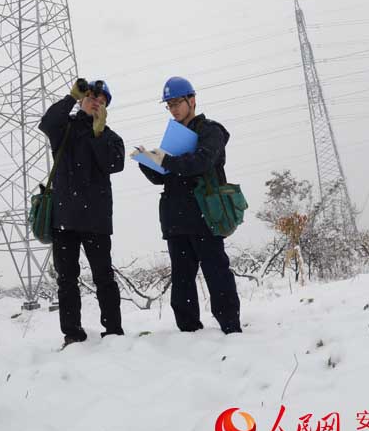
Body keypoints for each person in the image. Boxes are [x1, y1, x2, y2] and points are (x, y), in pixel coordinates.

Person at [132, 76, 241, 335]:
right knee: (182, 277)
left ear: (192, 100)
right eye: (169, 105)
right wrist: (146, 161)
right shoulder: (174, 136)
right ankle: (188, 329)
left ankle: (230, 327)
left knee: (216, 272)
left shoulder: (210, 131)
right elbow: (163, 177)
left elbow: (201, 162)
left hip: (205, 214)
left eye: (177, 102)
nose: (174, 109)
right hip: (176, 218)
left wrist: (168, 161)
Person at [39, 78, 125, 348]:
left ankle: (113, 331)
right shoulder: (64, 128)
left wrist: (99, 135)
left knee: (104, 278)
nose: (95, 103)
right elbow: (47, 122)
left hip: (97, 220)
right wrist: (69, 98)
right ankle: (73, 333)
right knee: (67, 280)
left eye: (101, 102)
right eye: (90, 97)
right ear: (82, 99)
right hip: (64, 219)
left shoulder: (110, 137)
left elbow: (114, 164)